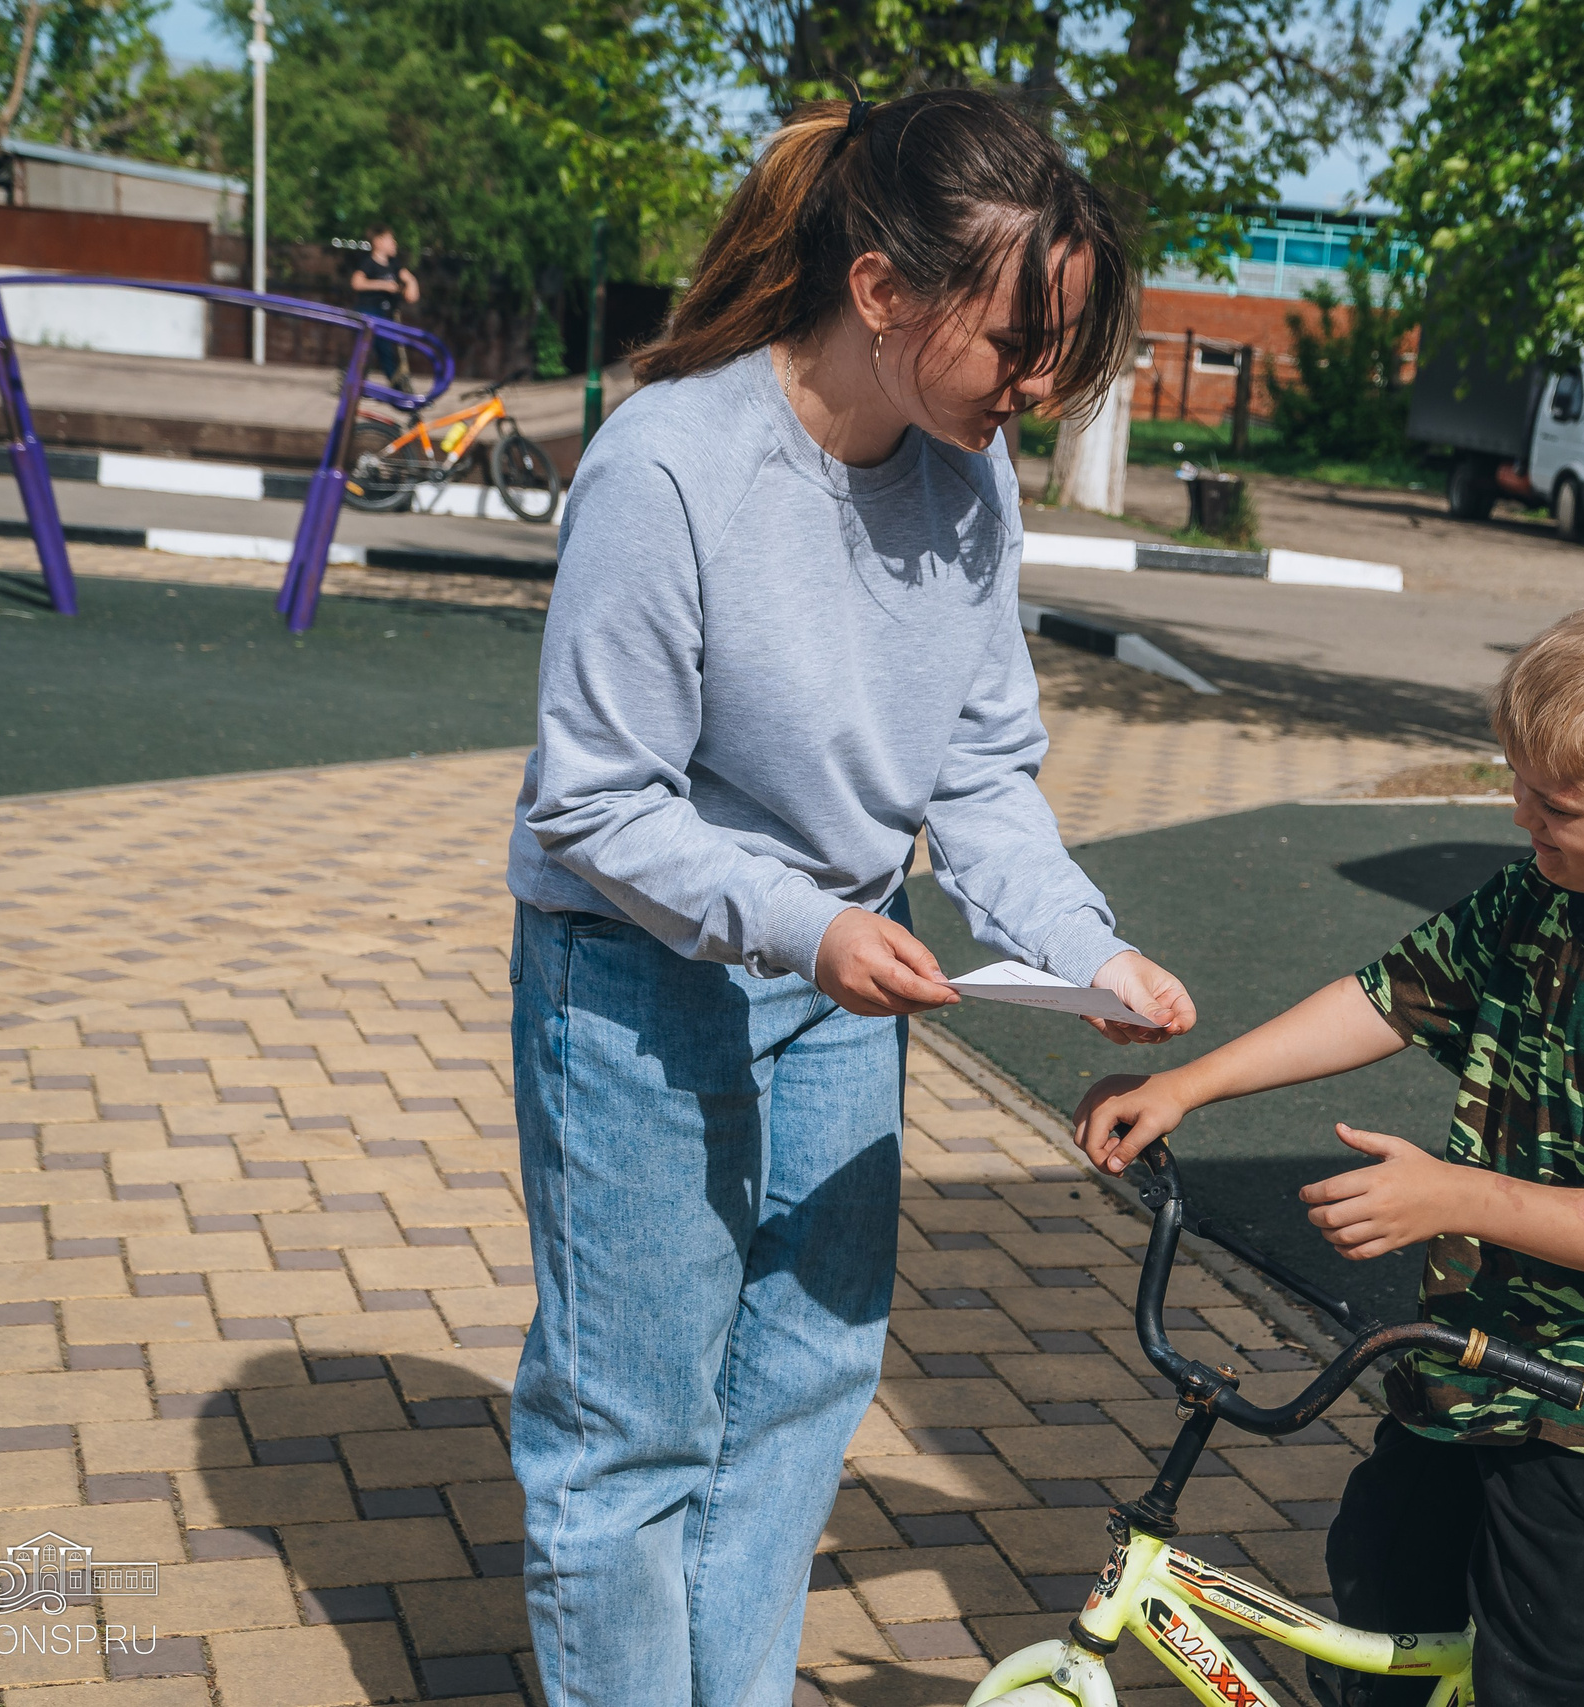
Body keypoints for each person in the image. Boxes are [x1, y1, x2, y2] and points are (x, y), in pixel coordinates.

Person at [505, 90, 1197, 1707]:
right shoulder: (670, 464)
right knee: (634, 1430)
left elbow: (978, 772)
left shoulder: (975, 479)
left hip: (840, 983)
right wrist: (803, 921)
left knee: (812, 1378)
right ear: (882, 289)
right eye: (1018, 345)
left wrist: (1088, 948)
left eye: (1060, 352)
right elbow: (593, 800)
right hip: (639, 971)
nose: (1034, 389)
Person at [1073, 594, 1584, 1707]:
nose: (1523, 815)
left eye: (1554, 803)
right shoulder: (1547, 892)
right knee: (1383, 1574)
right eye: (1517, 784)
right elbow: (1388, 997)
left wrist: (1451, 1197)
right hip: (1492, 1344)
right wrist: (1188, 1083)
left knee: (1537, 1670)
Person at [349, 223, 419, 389]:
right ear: (378, 242)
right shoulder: (369, 263)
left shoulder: (394, 264)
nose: (394, 243)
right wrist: (384, 285)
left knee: (386, 349)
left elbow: (409, 281)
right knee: (370, 347)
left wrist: (411, 284)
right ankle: (353, 380)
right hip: (369, 311)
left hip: (386, 313)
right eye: (390, 239)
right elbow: (357, 283)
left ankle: (396, 383)